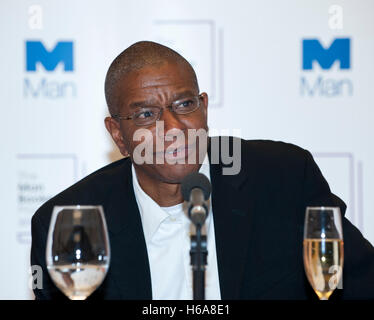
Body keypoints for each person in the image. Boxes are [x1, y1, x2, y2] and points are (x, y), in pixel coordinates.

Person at [31, 41, 374, 300]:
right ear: (118, 134)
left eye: (184, 104)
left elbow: (361, 284)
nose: (173, 126)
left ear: (204, 108)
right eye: (146, 114)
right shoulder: (69, 222)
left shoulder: (283, 178)